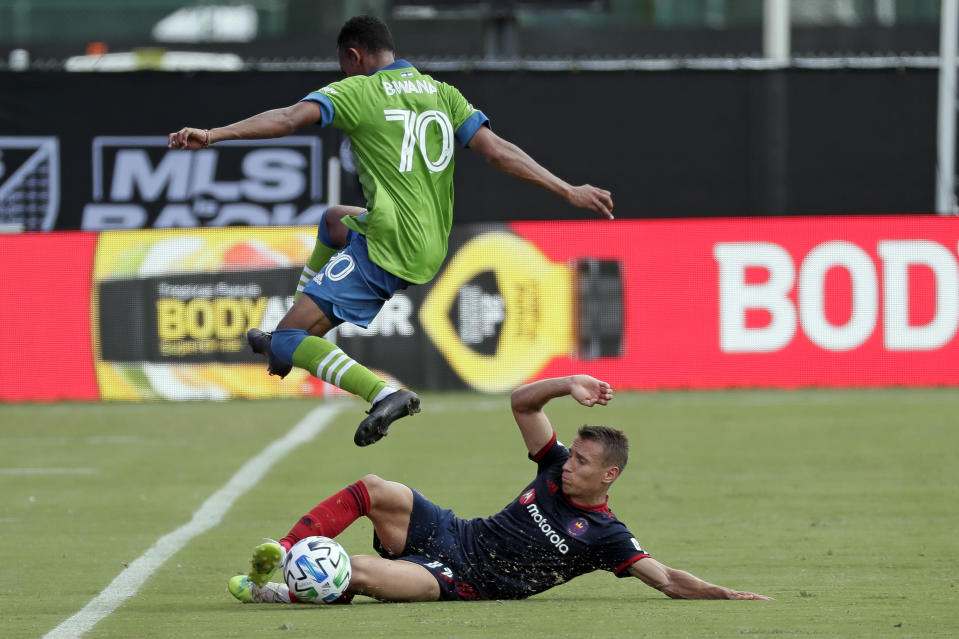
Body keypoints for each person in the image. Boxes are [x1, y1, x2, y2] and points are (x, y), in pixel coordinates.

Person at [168, 15, 615, 447]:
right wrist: (567, 189)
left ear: (354, 55)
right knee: (333, 221)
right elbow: (497, 152)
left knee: (290, 338)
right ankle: (283, 339)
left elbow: (287, 119)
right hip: (430, 243)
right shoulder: (442, 92)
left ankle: (380, 391)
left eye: (343, 65)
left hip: (388, 247)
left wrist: (212, 135)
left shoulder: (358, 91)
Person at [227, 375, 772, 604]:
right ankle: (281, 549)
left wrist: (723, 594)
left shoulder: (608, 537)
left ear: (609, 476)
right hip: (455, 533)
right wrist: (569, 383)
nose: (568, 466)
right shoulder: (553, 467)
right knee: (376, 487)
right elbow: (522, 404)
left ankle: (278, 592)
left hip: (462, 580)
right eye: (571, 455)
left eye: (582, 462)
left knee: (355, 570)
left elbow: (670, 580)